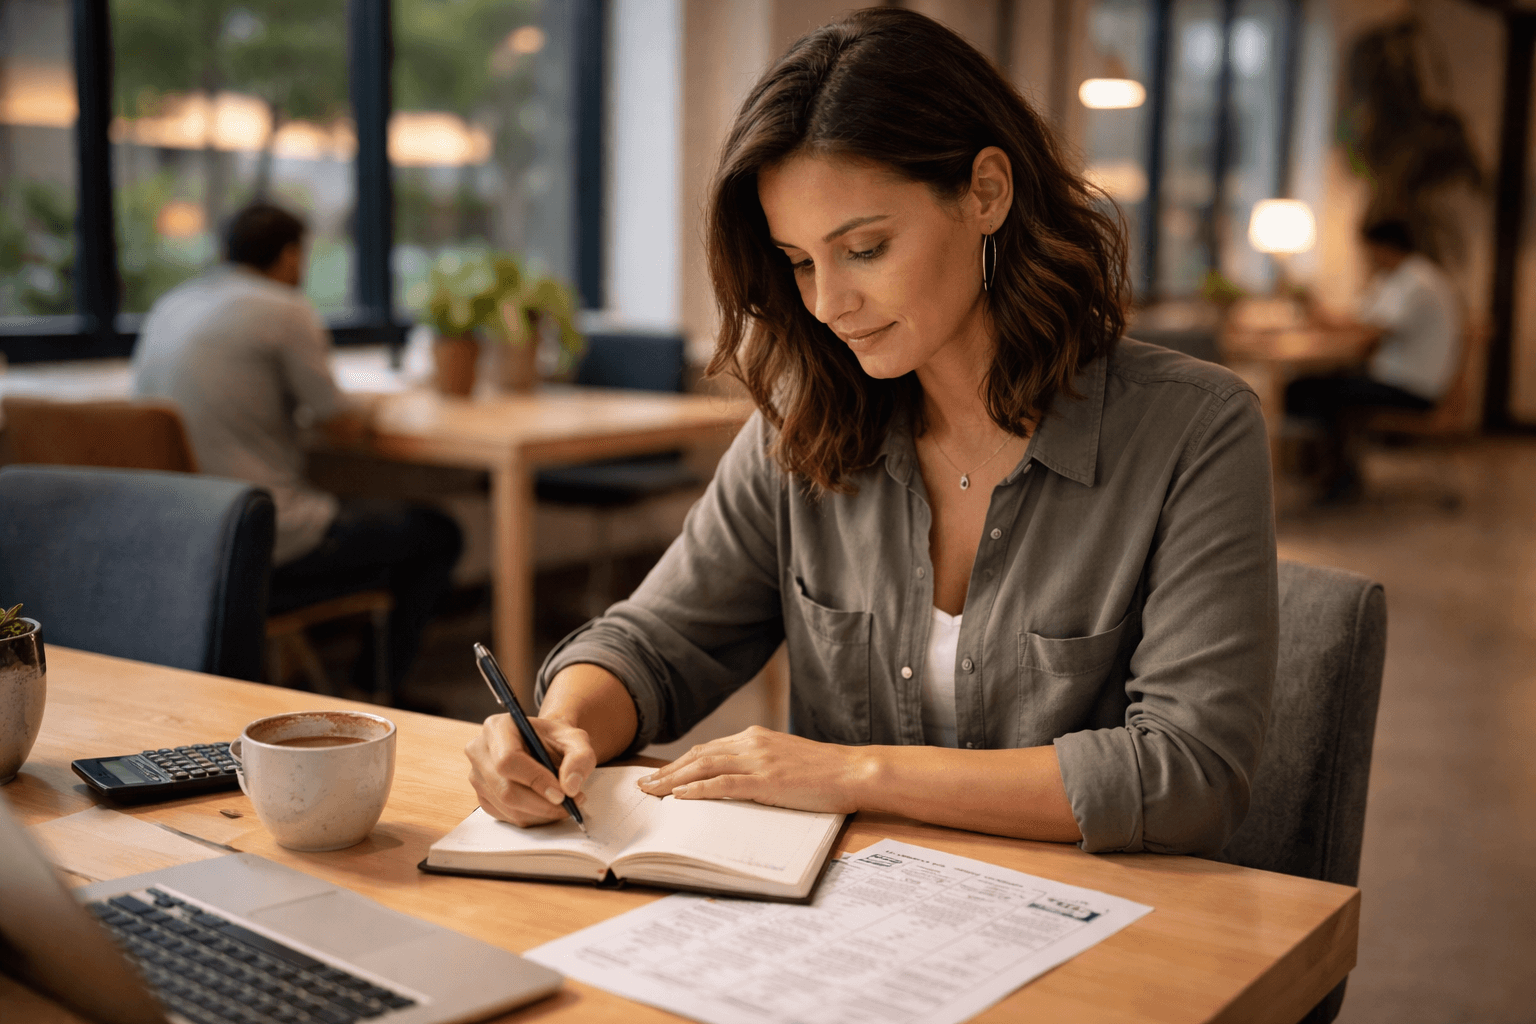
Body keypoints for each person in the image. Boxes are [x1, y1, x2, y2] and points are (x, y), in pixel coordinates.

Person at [467, 9, 1277, 856]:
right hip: (848, 907)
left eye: (864, 248)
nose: (827, 304)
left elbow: (1191, 775)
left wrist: (856, 774)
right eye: (799, 262)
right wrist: (561, 725)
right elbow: (659, 640)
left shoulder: (1195, 429)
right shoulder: (804, 423)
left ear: (986, 193)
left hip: (1099, 907)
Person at [133, 203, 462, 694]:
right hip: (261, 537)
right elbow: (341, 425)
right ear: (290, 255)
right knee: (438, 533)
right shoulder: (282, 309)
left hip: (185, 539)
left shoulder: (171, 305)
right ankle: (376, 690)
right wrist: (377, 407)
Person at [1286, 219, 1462, 501]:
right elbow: (1362, 319)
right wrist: (1327, 318)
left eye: (1370, 250)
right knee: (1307, 385)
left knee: (1316, 392)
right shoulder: (1397, 280)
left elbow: (1373, 329)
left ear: (1386, 247)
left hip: (1413, 387)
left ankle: (1337, 479)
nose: (1369, 258)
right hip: (1397, 379)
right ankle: (1325, 472)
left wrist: (1329, 322)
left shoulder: (1418, 282)